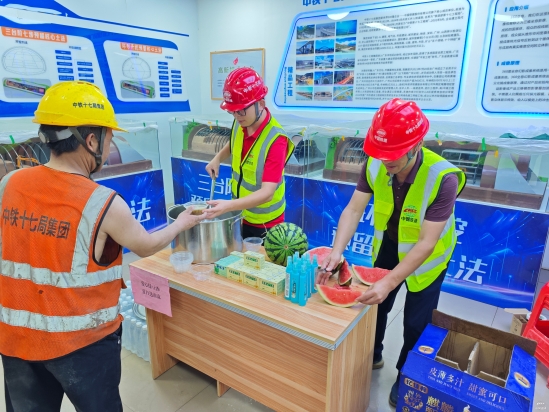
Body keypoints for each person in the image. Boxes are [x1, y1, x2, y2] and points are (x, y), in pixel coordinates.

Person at [0, 81, 206, 412]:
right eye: (109, 138)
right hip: (84, 345)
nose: (110, 147)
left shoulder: (10, 183)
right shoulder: (101, 202)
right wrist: (181, 223)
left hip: (15, 338)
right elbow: (146, 245)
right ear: (92, 140)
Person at [317, 98, 465, 407]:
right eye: (381, 152)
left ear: (417, 144)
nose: (385, 161)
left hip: (428, 257)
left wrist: (389, 281)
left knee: (415, 322)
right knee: (377, 306)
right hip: (389, 243)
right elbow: (353, 209)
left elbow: (426, 243)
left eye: (393, 154)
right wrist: (337, 251)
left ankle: (405, 374)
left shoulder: (443, 178)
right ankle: (373, 354)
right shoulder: (375, 163)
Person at [205, 67, 295, 239]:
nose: (236, 116)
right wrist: (217, 158)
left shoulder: (276, 140)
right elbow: (234, 143)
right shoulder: (241, 122)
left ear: (261, 104)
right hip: (240, 214)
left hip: (265, 222)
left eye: (241, 110)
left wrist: (228, 206)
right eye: (232, 111)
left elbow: (267, 192)